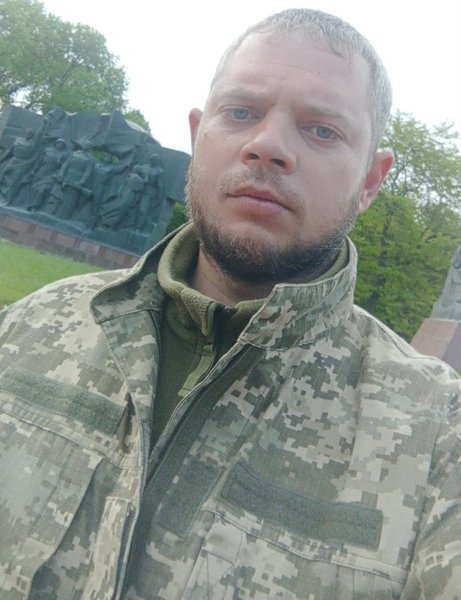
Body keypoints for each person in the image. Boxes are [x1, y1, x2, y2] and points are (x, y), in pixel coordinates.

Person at [0, 9, 460, 599]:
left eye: (322, 130)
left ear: (370, 181)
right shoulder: (31, 323)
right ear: (198, 136)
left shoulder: (438, 436)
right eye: (240, 113)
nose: (267, 146)